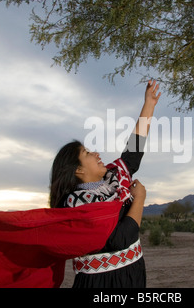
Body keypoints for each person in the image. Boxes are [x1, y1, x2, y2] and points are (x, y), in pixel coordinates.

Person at [49, 80, 161, 288]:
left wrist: (149, 105)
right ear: (78, 170)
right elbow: (121, 239)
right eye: (88, 153)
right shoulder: (76, 205)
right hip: (102, 283)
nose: (96, 153)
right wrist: (140, 199)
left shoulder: (113, 179)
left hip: (134, 274)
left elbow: (134, 151)